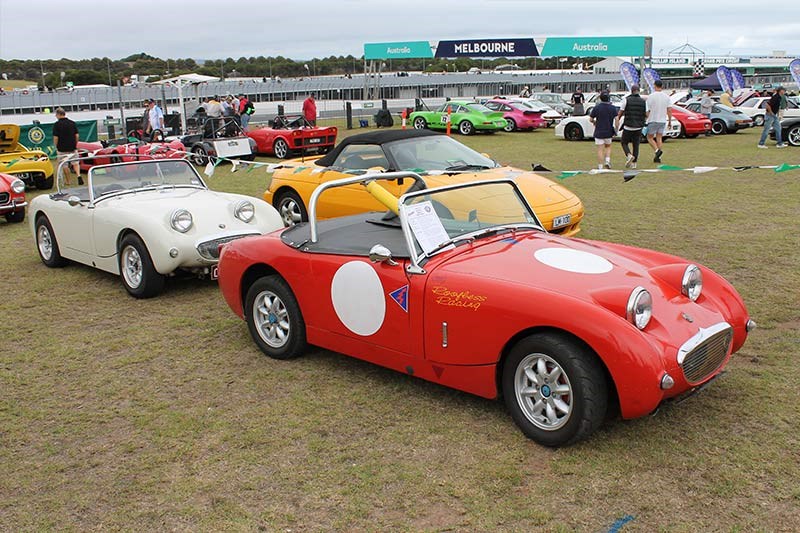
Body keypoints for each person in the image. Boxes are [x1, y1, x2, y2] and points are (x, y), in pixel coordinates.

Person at [615, 84, 646, 169]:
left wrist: (617, 120)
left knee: (624, 142)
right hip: (639, 126)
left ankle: (629, 155)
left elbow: (620, 113)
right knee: (636, 145)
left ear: (631, 91)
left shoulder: (626, 100)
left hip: (628, 125)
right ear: (638, 91)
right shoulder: (643, 101)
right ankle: (634, 163)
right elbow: (646, 113)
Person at [645, 80, 673, 163]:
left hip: (653, 119)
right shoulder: (666, 97)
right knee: (659, 137)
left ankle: (657, 151)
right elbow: (669, 110)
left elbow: (647, 110)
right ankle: (658, 157)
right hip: (662, 119)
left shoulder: (651, 96)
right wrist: (670, 121)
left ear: (655, 86)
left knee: (649, 137)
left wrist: (647, 117)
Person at [52, 107, 81, 186]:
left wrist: (56, 146)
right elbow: (77, 135)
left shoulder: (57, 125)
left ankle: (68, 181)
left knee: (64, 164)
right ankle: (78, 175)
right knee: (75, 163)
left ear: (58, 114)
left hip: (62, 148)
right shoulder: (72, 123)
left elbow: (56, 137)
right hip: (72, 146)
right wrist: (75, 143)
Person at [589, 91, 617, 169]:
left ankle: (600, 167)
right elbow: (617, 118)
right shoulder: (612, 108)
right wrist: (616, 129)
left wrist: (595, 122)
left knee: (600, 149)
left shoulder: (597, 107)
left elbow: (591, 119)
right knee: (608, 146)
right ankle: (607, 161)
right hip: (609, 131)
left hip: (599, 131)